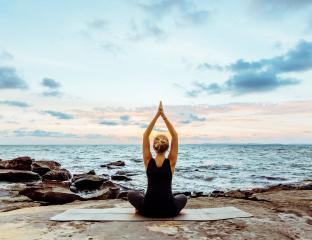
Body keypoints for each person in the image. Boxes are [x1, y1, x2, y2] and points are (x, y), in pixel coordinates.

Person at [127, 101, 187, 217]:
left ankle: (139, 209)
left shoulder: (148, 160)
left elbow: (145, 135)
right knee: (183, 197)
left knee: (131, 193)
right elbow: (175, 135)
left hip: (148, 209)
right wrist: (163, 115)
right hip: (169, 209)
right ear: (168, 147)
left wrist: (157, 115)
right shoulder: (171, 162)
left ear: (154, 147)